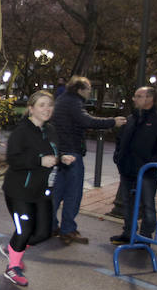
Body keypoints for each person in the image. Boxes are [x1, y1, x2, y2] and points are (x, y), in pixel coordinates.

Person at [0, 91, 75, 286]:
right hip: (19, 191)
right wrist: (39, 161)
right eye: (41, 105)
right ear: (31, 108)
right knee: (24, 230)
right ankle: (12, 267)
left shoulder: (50, 130)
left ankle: (14, 247)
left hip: (42, 191)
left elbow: (52, 153)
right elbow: (13, 159)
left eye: (49, 105)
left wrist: (62, 157)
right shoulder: (21, 132)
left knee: (43, 233)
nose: (47, 109)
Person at [51, 76, 126, 245]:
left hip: (61, 151)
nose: (89, 92)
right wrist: (112, 122)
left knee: (58, 191)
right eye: (88, 89)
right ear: (79, 89)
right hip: (72, 152)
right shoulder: (73, 102)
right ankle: (67, 229)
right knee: (73, 193)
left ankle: (51, 225)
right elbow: (87, 121)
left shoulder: (62, 99)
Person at [110, 86, 157, 245]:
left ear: (149, 99)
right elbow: (120, 140)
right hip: (127, 170)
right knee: (128, 204)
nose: (134, 99)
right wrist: (118, 158)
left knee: (147, 205)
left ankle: (145, 237)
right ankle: (128, 233)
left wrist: (151, 162)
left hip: (146, 172)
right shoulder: (131, 119)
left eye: (138, 96)